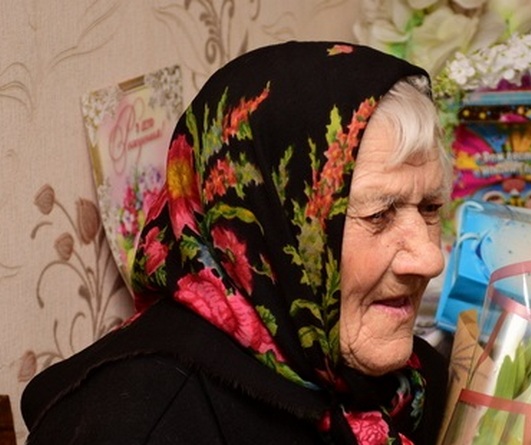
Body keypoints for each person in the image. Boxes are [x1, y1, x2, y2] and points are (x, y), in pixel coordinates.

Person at [21, 41, 452, 444]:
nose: (430, 259)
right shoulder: (140, 424)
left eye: (430, 208)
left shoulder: (413, 383)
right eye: (379, 215)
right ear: (262, 228)